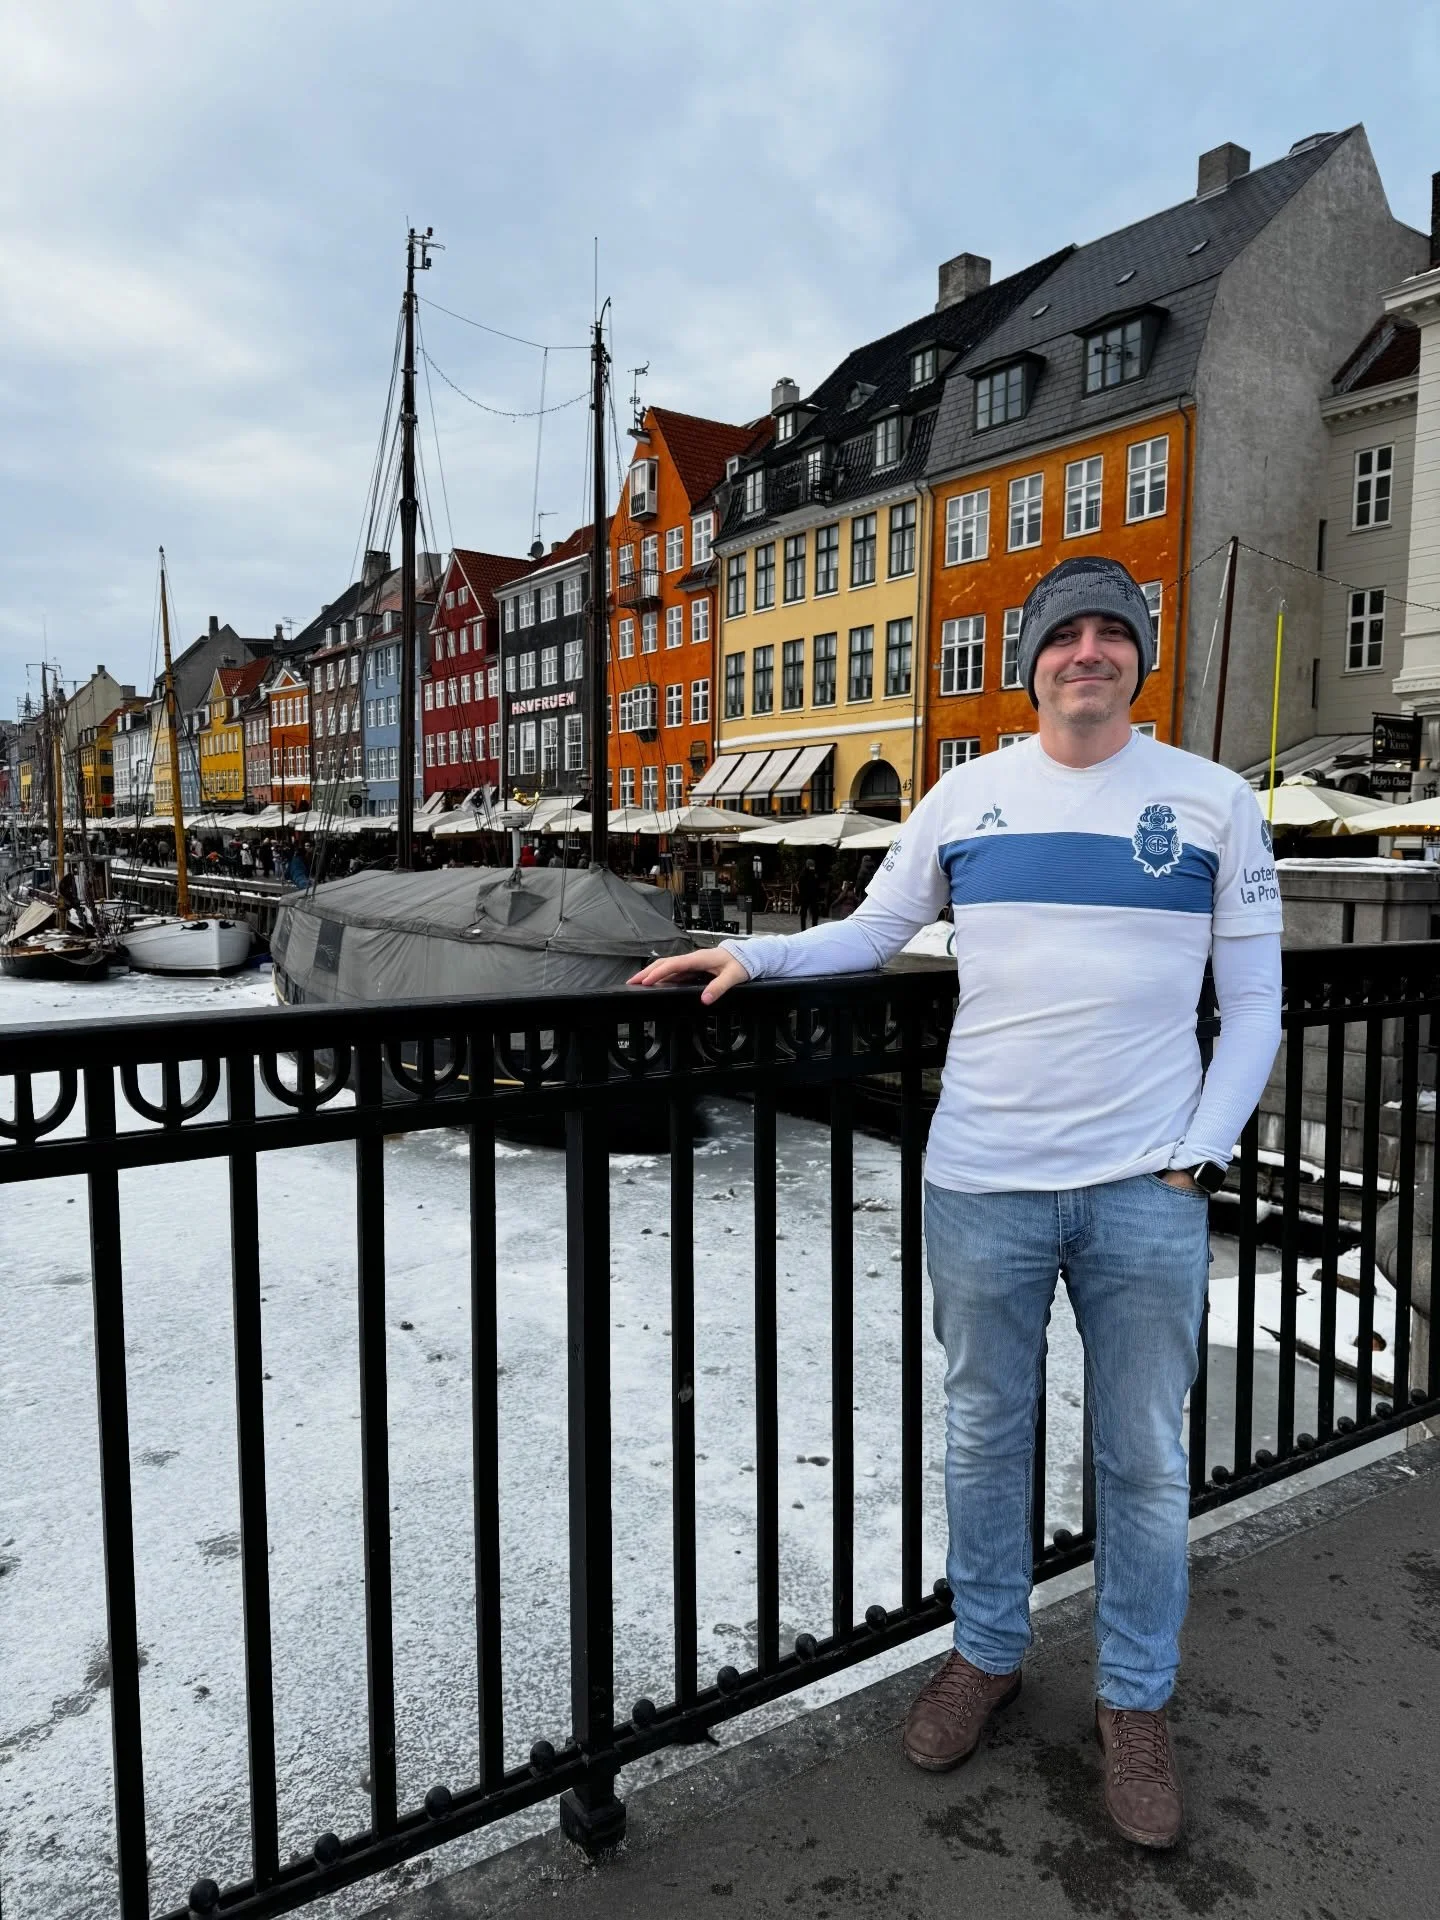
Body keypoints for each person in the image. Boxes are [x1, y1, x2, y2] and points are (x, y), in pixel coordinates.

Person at [628, 555, 1282, 1850]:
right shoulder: (967, 798)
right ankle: (986, 1651)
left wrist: (1199, 1153)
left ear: (1137, 661)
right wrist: (749, 955)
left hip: (1145, 1190)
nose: (1086, 652)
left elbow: (1255, 1002)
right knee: (986, 1435)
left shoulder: (1212, 803)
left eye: (1111, 635)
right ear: (1029, 662)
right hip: (982, 1182)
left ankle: (1135, 1702)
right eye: (1063, 636)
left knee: (1144, 1460)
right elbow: (871, 934)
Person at [795, 857, 822, 931]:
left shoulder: (814, 873)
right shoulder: (804, 874)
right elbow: (800, 885)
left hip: (813, 896)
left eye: (813, 865)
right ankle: (803, 929)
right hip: (805, 896)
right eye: (811, 865)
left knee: (814, 913)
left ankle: (814, 928)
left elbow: (817, 884)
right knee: (804, 913)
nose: (812, 867)